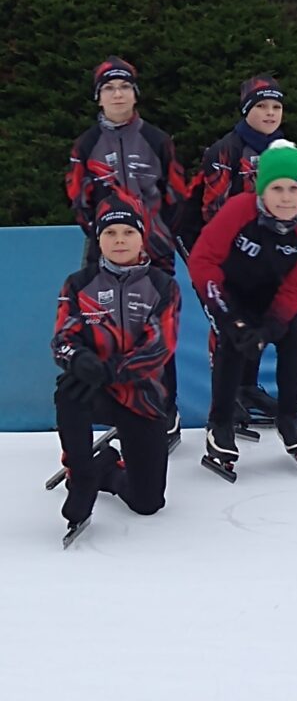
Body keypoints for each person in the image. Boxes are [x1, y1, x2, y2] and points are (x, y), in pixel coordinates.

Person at [65, 56, 187, 443]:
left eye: (124, 87)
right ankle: (116, 407)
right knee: (104, 327)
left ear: (135, 94)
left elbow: (176, 194)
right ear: (98, 97)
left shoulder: (157, 139)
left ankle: (165, 410)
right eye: (109, 88)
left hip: (155, 251)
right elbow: (78, 199)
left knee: (158, 333)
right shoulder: (86, 144)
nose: (117, 94)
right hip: (104, 252)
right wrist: (105, 236)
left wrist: (156, 233)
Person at [188, 139, 297, 475]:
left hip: (271, 298)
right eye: (277, 188)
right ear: (262, 190)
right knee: (234, 343)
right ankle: (220, 422)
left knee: (293, 338)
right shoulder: (238, 210)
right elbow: (202, 261)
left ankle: (289, 414)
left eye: (294, 188)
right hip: (228, 292)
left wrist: (271, 326)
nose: (286, 197)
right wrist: (229, 317)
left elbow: (295, 288)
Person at [52, 193, 181, 536]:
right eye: (110, 233)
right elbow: (62, 341)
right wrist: (80, 359)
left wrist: (110, 370)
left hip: (142, 398)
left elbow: (160, 347)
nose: (119, 240)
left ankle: (106, 468)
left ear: (142, 237)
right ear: (99, 240)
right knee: (69, 389)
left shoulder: (163, 286)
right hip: (96, 392)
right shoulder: (78, 284)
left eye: (128, 232)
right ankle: (81, 476)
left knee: (147, 503)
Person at [179, 75, 288, 421]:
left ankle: (247, 386)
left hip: (254, 240)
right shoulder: (225, 150)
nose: (270, 113)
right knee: (226, 316)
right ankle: (224, 400)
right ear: (246, 111)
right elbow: (213, 212)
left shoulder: (283, 148)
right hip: (203, 240)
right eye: (261, 106)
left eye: (276, 106)